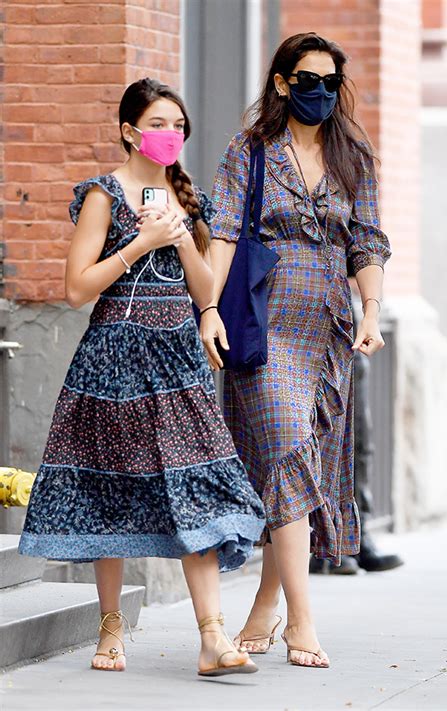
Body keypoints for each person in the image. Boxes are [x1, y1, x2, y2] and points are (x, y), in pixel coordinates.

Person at [18, 78, 266, 676]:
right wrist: (142, 241)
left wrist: (177, 237)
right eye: (159, 124)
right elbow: (77, 288)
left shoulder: (189, 197)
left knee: (195, 484)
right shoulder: (103, 195)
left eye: (179, 126)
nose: (171, 136)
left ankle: (213, 638)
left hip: (177, 363)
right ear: (130, 131)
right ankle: (110, 630)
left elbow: (208, 289)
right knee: (110, 491)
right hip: (113, 361)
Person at [200, 33, 391, 668]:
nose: (322, 93)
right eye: (309, 80)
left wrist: (370, 311)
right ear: (283, 82)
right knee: (285, 447)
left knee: (301, 461)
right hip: (262, 323)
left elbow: (367, 240)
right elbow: (224, 234)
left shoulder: (351, 154)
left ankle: (264, 602)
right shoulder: (250, 151)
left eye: (332, 83)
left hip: (328, 331)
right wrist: (207, 311)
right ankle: (302, 621)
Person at [310, 305, 404, 575]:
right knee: (316, 437)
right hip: (301, 294)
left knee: (359, 439)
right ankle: (322, 544)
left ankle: (356, 538)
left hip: (347, 305)